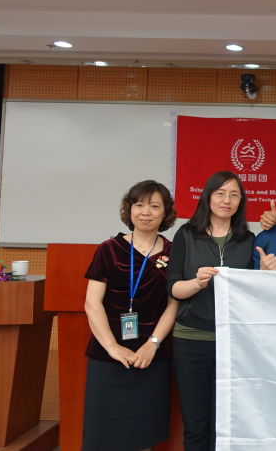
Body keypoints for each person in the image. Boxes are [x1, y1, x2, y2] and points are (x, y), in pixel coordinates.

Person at [82, 180, 178, 451]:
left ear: (165, 213)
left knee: (143, 433)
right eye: (139, 205)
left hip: (152, 356)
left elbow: (174, 305)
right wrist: (112, 347)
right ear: (129, 209)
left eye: (154, 206)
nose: (146, 212)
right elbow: (92, 303)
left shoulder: (173, 252)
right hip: (108, 356)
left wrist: (152, 344)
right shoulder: (109, 249)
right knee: (103, 434)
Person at [167, 171, 255, 451]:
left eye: (234, 195)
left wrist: (265, 273)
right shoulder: (187, 234)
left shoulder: (248, 239)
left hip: (233, 344)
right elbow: (173, 288)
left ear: (241, 201)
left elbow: (254, 292)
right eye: (221, 193)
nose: (227, 200)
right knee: (195, 425)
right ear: (208, 196)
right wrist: (195, 283)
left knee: (224, 425)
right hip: (191, 341)